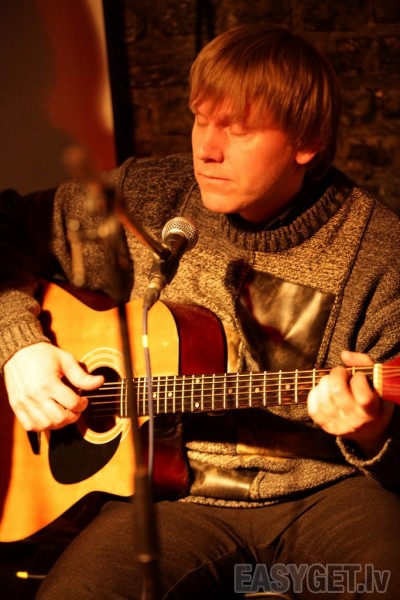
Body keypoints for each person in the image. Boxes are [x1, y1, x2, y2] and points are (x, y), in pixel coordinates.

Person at [1, 23, 399, 600]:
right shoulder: (150, 195)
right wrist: (20, 343)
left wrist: (375, 431)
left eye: (237, 129)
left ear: (306, 142)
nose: (206, 149)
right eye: (200, 119)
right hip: (171, 497)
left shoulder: (380, 250)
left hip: (329, 494)